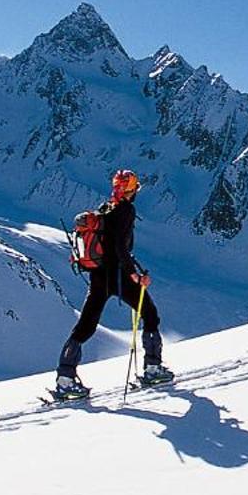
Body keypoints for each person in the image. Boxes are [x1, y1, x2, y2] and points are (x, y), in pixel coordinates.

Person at [55, 168, 173, 400]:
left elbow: (108, 244)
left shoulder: (105, 208)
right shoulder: (126, 210)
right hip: (118, 276)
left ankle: (65, 378)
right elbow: (119, 246)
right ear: (132, 189)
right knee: (150, 314)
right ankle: (152, 368)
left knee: (86, 325)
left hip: (99, 276)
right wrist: (134, 275)